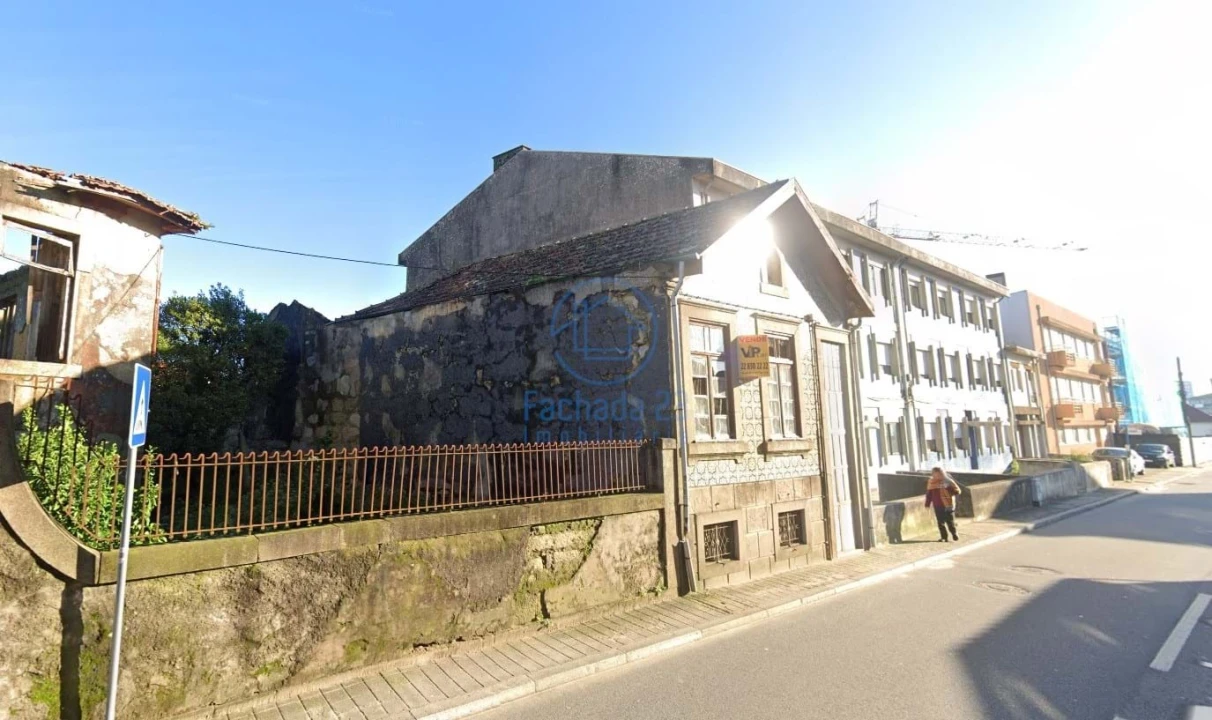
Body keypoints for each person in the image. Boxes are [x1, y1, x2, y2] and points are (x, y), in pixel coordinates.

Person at [924, 466, 961, 542]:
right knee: (941, 522)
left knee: (950, 521)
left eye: (940, 474)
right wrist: (927, 504)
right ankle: (944, 537)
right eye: (936, 475)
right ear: (933, 475)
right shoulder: (931, 482)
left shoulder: (948, 481)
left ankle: (954, 533)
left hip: (948, 505)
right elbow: (929, 495)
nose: (938, 476)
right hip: (937, 505)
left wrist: (947, 487)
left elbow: (957, 491)